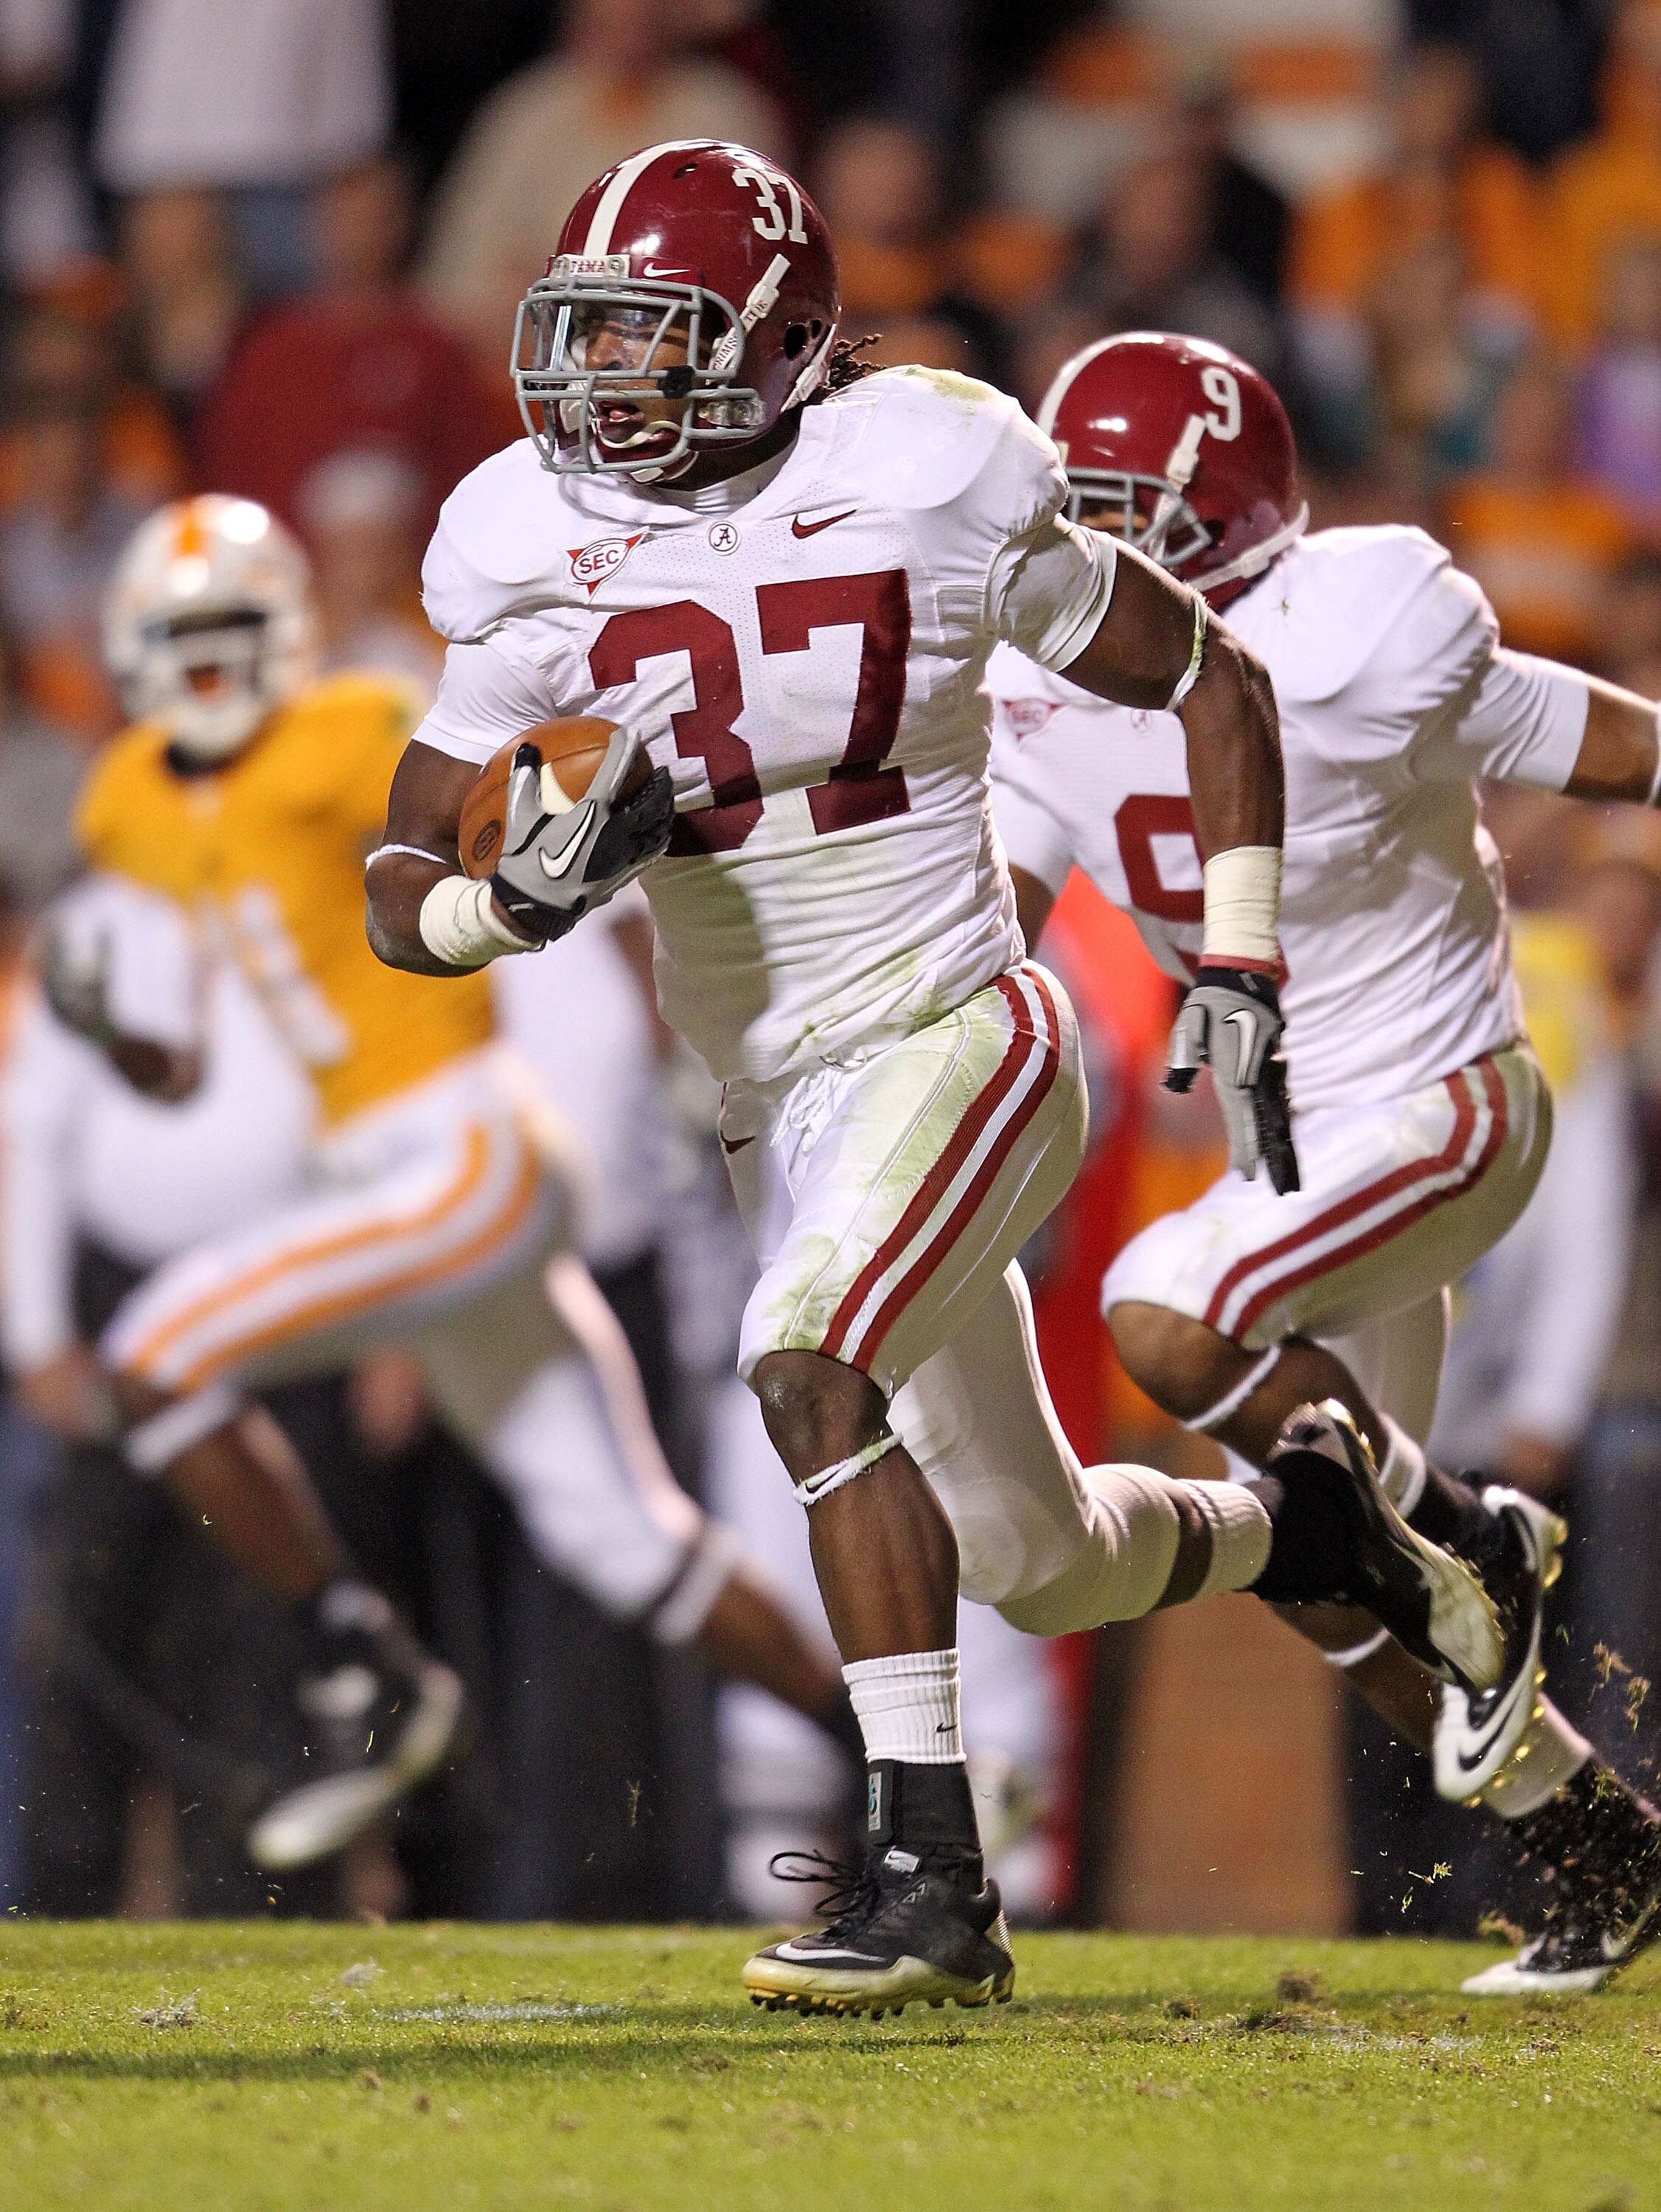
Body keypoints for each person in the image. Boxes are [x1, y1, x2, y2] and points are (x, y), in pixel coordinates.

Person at [366, 139, 1519, 2017]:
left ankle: (930, 1879)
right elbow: (395, 881)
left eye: (653, 341)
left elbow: (1205, 675)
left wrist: (1232, 948)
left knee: (807, 1358)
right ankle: (1338, 1525)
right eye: (587, 338)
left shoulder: (925, 464)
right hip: (769, 1091)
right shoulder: (523, 532)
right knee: (1030, 1557)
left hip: (957, 1019)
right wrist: (504, 910)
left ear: (778, 338)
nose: (603, 383)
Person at [50, 491, 873, 1877]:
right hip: (403, 1179)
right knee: (632, 1544)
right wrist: (117, 1040)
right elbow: (196, 1060)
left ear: (292, 633)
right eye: (180, 641)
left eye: (230, 635)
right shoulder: (129, 799)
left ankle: (369, 1667)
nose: (205, 671)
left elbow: (509, 809)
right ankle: (891, 1768)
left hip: (465, 1150)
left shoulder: (353, 722)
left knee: (151, 1356)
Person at [985, 330, 1661, 1993]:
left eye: (1128, 515)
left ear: (1221, 518)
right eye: (1077, 514)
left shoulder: (1355, 625)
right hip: (1302, 1173)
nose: (1097, 553)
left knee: (1165, 1311)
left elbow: (1599, 738)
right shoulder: (1043, 684)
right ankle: (1597, 1850)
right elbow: (985, 926)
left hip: (1443, 1108)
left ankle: (1475, 1537)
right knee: (1324, 1560)